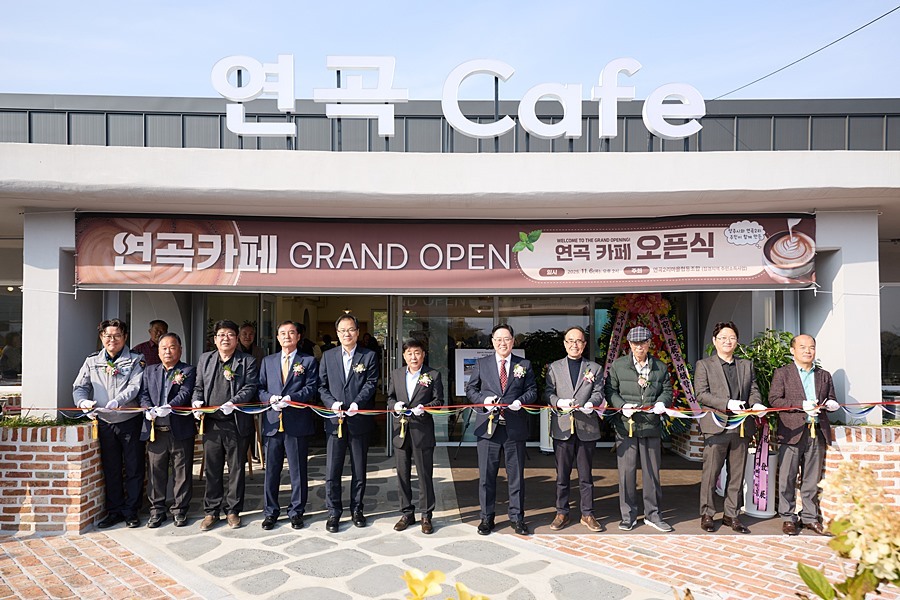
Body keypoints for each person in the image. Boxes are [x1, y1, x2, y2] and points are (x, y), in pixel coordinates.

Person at [465, 323, 537, 536]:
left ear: (513, 341)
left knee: (516, 476)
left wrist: (520, 401)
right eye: (498, 339)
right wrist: (484, 401)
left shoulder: (523, 364)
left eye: (506, 339)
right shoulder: (482, 364)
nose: (502, 343)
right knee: (487, 477)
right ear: (492, 342)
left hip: (514, 427)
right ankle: (486, 517)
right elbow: (471, 389)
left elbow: (532, 390)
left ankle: (517, 517)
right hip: (488, 428)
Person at [73, 319, 145, 529]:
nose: (112, 340)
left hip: (129, 420)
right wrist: (82, 402)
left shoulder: (136, 360)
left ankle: (131, 511)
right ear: (101, 337)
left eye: (117, 336)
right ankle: (114, 510)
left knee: (133, 467)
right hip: (104, 422)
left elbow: (135, 386)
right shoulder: (92, 361)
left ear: (125, 337)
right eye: (108, 336)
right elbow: (80, 386)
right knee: (111, 468)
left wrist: (118, 401)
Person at [693, 321, 765, 534]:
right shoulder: (704, 365)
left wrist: (756, 404)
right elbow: (701, 394)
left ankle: (731, 514)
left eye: (732, 338)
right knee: (711, 473)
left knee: (737, 474)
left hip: (741, 427)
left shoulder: (746, 365)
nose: (727, 341)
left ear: (737, 341)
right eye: (723, 338)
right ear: (714, 341)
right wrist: (726, 404)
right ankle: (707, 514)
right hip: (716, 425)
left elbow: (753, 389)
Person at [769, 334, 840, 536]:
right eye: (803, 347)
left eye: (811, 347)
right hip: (791, 432)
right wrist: (800, 405)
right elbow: (774, 399)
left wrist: (831, 404)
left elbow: (831, 398)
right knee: (788, 477)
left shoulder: (824, 375)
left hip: (816, 431)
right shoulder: (783, 373)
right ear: (793, 350)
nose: (808, 351)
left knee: (811, 478)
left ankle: (809, 517)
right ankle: (788, 517)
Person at [604, 325, 674, 533]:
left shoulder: (659, 367)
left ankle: (653, 514)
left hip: (651, 425)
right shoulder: (618, 366)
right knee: (626, 473)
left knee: (652, 473)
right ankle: (628, 516)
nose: (639, 347)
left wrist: (662, 402)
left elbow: (667, 390)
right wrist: (622, 405)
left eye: (643, 343)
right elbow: (610, 390)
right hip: (626, 426)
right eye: (635, 343)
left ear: (649, 343)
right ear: (629, 344)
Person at [192, 319, 259, 531]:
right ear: (215, 339)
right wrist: (197, 401)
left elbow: (250, 387)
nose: (225, 338)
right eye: (221, 335)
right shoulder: (205, 359)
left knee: (236, 469)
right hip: (212, 423)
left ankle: (233, 510)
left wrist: (234, 402)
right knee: (212, 468)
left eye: (230, 334)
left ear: (237, 339)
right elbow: (198, 386)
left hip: (235, 422)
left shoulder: (247, 361)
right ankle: (211, 511)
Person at [318, 314, 379, 533]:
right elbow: (321, 385)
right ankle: (333, 512)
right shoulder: (328, 356)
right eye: (343, 330)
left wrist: (357, 403)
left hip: (358, 419)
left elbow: (371, 383)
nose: (347, 334)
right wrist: (331, 403)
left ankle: (357, 509)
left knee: (359, 469)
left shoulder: (368, 356)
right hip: (335, 421)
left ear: (358, 332)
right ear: (337, 333)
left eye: (351, 329)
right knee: (332, 470)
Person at [258, 321, 319, 531]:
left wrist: (292, 398)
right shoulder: (268, 361)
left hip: (297, 421)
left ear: (298, 336)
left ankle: (296, 511)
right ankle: (270, 512)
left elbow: (312, 388)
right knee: (271, 470)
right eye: (283, 333)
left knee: (298, 470)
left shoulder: (308, 361)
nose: (287, 336)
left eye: (291, 333)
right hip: (273, 422)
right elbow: (260, 388)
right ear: (277, 337)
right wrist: (270, 398)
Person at [544, 326, 605, 532]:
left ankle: (587, 513)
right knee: (562, 475)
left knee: (586, 475)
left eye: (578, 341)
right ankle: (562, 512)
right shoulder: (554, 367)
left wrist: (591, 403)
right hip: (562, 427)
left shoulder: (594, 368)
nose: (574, 345)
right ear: (564, 344)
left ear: (584, 344)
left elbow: (599, 392)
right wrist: (558, 402)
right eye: (570, 341)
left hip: (586, 426)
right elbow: (548, 392)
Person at [138, 332, 196, 528]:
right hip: (156, 431)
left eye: (172, 347)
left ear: (180, 350)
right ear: (158, 351)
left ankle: (180, 511)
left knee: (182, 473)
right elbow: (143, 394)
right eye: (164, 348)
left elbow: (185, 393)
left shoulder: (188, 370)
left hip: (179, 429)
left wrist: (170, 406)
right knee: (156, 472)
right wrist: (148, 409)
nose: (168, 351)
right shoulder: (149, 371)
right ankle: (157, 511)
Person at [389, 339, 444, 535]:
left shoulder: (433, 375)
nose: (414, 357)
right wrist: (395, 406)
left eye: (417, 353)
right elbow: (390, 398)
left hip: (422, 431)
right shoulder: (396, 374)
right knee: (402, 474)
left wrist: (425, 408)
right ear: (404, 356)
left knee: (424, 475)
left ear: (423, 355)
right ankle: (407, 513)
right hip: (401, 431)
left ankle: (426, 515)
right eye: (410, 353)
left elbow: (439, 401)